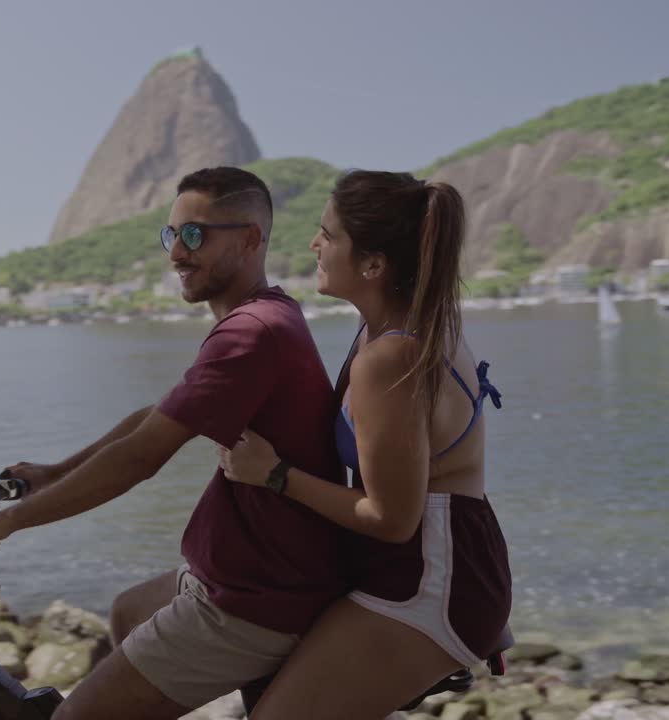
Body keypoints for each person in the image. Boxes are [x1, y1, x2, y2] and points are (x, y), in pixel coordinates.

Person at [0, 166, 348, 720]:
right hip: (241, 574)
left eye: (195, 235)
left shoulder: (251, 333)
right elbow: (158, 416)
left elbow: (141, 457)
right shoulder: (262, 314)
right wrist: (55, 471)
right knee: (129, 612)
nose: (177, 252)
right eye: (171, 235)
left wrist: (7, 522)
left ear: (251, 239)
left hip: (256, 600)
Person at [216, 170, 512, 719]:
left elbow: (391, 518)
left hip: (431, 578)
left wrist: (273, 473)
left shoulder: (391, 357)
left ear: (374, 265)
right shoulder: (400, 326)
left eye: (328, 235)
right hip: (428, 560)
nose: (314, 245)